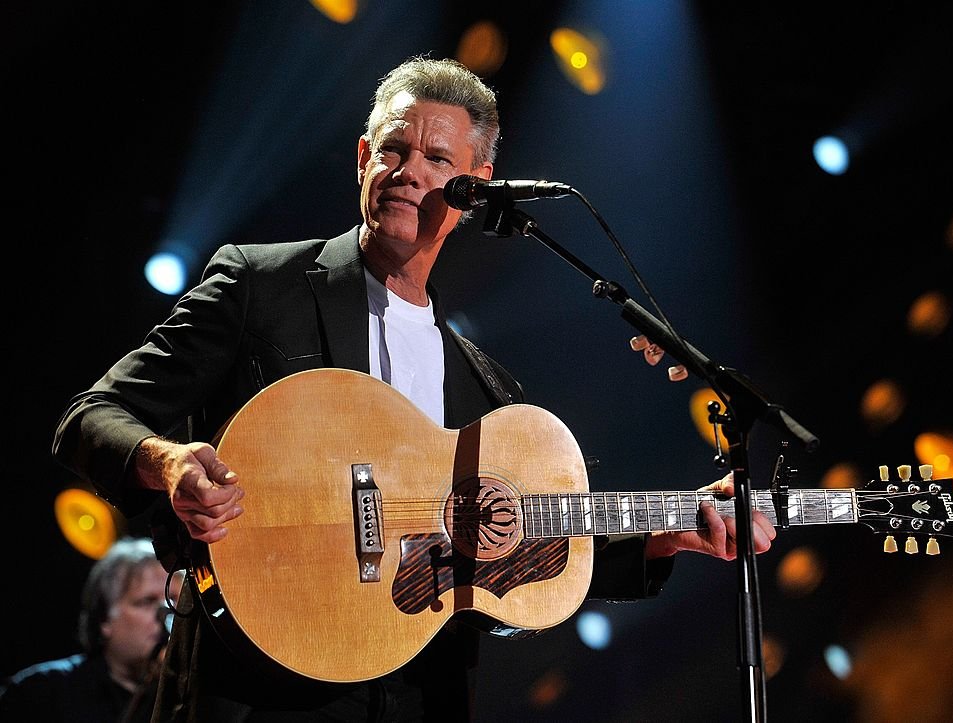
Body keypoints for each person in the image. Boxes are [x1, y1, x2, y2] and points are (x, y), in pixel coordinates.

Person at [51, 56, 776, 721]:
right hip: (253, 687)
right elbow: (91, 416)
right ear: (363, 160)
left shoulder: (487, 390)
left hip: (415, 698)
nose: (408, 171)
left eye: (437, 160)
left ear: (477, 190)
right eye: (393, 150)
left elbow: (522, 561)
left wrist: (670, 533)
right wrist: (167, 462)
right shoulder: (260, 284)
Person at [0, 537, 179, 723]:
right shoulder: (43, 693)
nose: (167, 612)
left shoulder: (191, 697)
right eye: (147, 602)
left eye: (174, 599)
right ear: (104, 618)